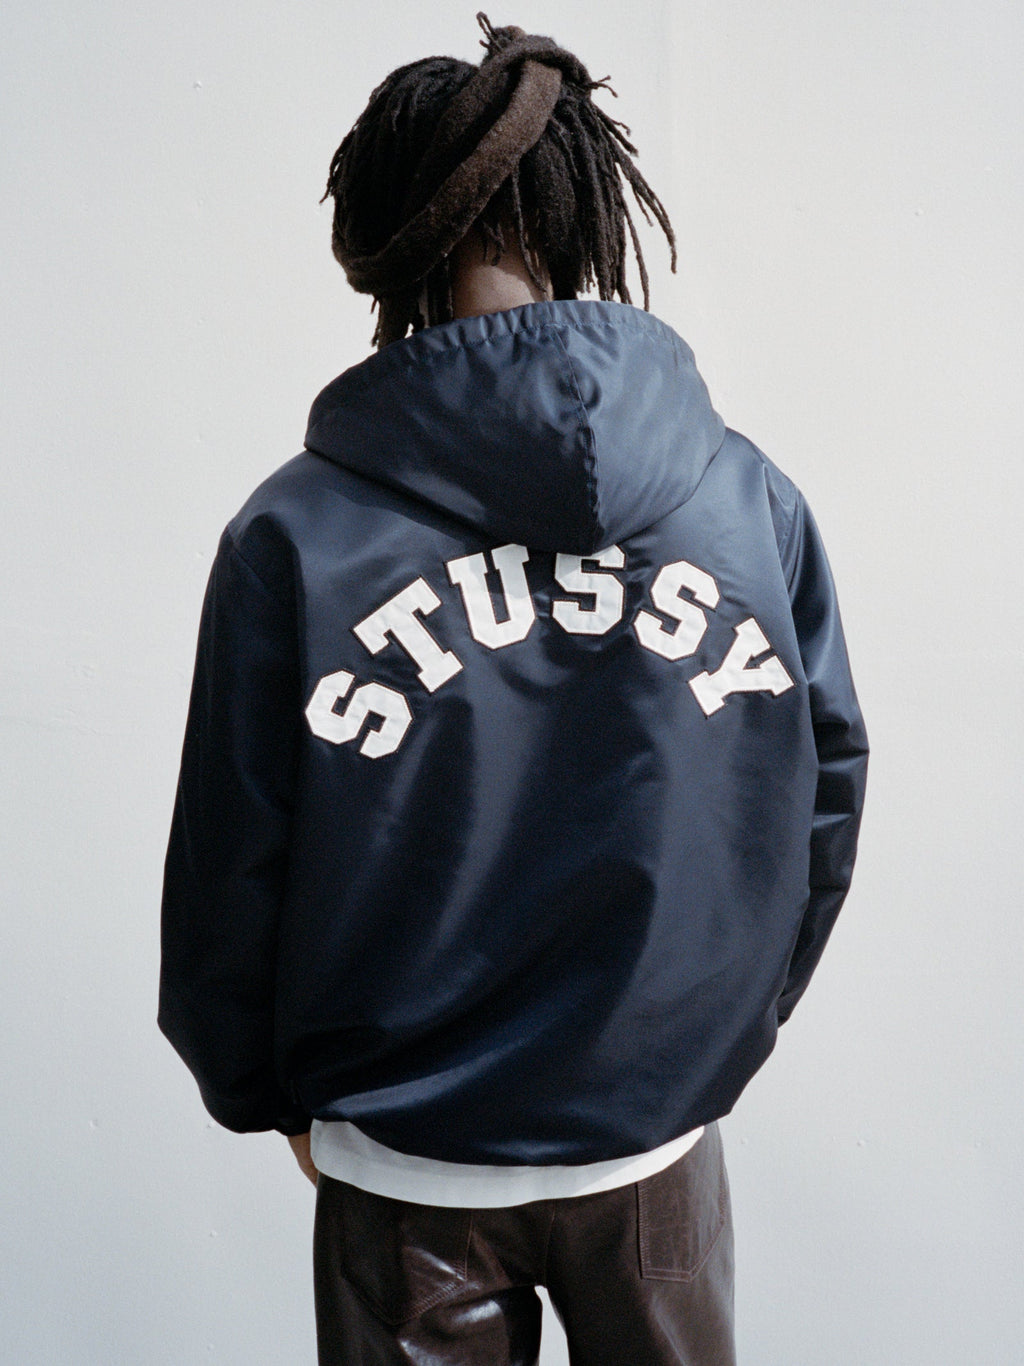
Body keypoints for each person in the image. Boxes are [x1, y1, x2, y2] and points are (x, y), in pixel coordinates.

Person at [159, 15, 868, 1365]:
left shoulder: (296, 535)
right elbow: (822, 796)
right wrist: (710, 1027)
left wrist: (260, 1092)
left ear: (387, 235)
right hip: (652, 1141)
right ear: (585, 210)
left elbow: (230, 856)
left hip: (404, 1159)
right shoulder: (745, 503)